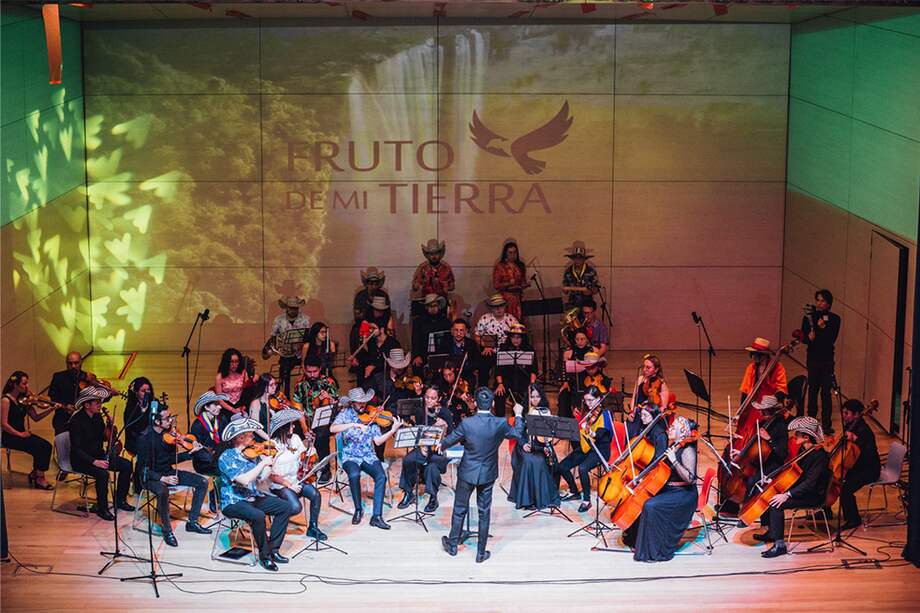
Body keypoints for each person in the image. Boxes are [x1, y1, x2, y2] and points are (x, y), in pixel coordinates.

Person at [440, 388, 524, 563]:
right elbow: (517, 433)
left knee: (459, 509)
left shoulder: (467, 423)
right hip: (487, 473)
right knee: (484, 512)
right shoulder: (500, 423)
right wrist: (518, 415)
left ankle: (453, 545)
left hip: (467, 472)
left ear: (476, 404)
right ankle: (480, 553)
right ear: (492, 403)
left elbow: (450, 440)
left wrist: (439, 445)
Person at [218, 418, 292, 571]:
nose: (254, 437)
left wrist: (271, 461)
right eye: (251, 435)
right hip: (233, 502)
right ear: (241, 438)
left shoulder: (253, 453)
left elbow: (261, 478)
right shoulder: (226, 457)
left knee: (285, 507)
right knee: (258, 515)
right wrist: (262, 464)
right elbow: (244, 480)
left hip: (252, 497)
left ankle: (273, 550)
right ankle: (265, 557)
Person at [621, 416, 699, 562]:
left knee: (651, 506)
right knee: (643, 501)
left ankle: (655, 549)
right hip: (671, 489)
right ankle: (637, 541)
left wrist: (674, 460)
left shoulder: (687, 450)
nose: (670, 429)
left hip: (684, 494)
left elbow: (690, 478)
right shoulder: (675, 445)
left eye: (674, 427)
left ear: (682, 432)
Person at [754, 416, 831, 558]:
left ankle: (780, 545)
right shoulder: (804, 449)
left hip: (813, 495)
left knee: (775, 503)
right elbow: (796, 474)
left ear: (806, 437)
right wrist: (774, 480)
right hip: (802, 491)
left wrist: (787, 494)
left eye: (797, 434)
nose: (794, 436)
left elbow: (810, 484)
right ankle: (772, 533)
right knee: (770, 494)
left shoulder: (820, 457)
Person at [135, 406, 211, 546]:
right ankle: (167, 530)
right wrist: (162, 478)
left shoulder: (168, 437)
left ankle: (192, 522)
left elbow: (170, 459)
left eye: (171, 417)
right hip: (151, 478)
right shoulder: (145, 438)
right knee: (162, 491)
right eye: (167, 418)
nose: (171, 420)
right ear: (157, 421)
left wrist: (190, 453)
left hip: (168, 472)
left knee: (202, 482)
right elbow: (142, 470)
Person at [330, 388, 405, 529]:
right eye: (360, 402)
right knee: (354, 475)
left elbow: (378, 441)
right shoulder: (345, 414)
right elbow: (332, 429)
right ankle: (358, 509)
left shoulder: (373, 417)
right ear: (352, 403)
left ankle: (377, 516)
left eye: (364, 402)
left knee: (381, 476)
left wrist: (393, 430)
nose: (363, 405)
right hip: (350, 455)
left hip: (368, 455)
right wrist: (354, 424)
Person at [68, 386, 134, 520]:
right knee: (102, 474)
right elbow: (76, 449)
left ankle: (120, 500)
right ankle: (102, 509)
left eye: (100, 401)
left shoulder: (97, 417)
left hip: (99, 455)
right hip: (82, 460)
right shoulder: (76, 421)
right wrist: (94, 462)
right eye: (97, 402)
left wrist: (109, 426)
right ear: (87, 405)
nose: (100, 404)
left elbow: (103, 438)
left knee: (127, 465)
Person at [268, 409, 326, 541]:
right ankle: (278, 519)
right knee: (295, 507)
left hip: (296, 480)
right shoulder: (272, 445)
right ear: (283, 427)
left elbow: (303, 455)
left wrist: (310, 447)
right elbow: (271, 475)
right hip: (280, 485)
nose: (293, 426)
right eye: (290, 425)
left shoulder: (295, 438)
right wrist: (289, 485)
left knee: (315, 494)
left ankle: (313, 527)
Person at [555, 386, 614, 512]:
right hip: (586, 446)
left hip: (600, 450)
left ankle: (586, 500)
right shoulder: (588, 413)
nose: (588, 403)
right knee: (562, 466)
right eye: (586, 400)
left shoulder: (606, 414)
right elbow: (580, 434)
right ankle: (574, 491)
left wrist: (590, 431)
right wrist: (577, 421)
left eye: (591, 400)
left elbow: (599, 435)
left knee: (583, 468)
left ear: (599, 398)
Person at [397, 385, 454, 512]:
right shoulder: (420, 411)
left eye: (433, 398)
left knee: (431, 467)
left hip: (439, 450)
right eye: (427, 397)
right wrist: (421, 446)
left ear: (438, 399)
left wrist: (444, 428)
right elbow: (419, 432)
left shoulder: (445, 412)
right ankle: (408, 492)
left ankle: (433, 497)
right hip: (423, 447)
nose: (429, 400)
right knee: (408, 460)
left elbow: (453, 435)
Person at [508, 385, 560, 511]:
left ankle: (545, 496)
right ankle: (529, 499)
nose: (535, 399)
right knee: (532, 461)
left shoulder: (544, 411)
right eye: (532, 397)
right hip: (524, 445)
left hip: (540, 445)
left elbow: (548, 434)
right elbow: (517, 433)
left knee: (552, 461)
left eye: (538, 396)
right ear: (529, 398)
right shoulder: (523, 411)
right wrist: (523, 444)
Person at [1, 372, 54, 489]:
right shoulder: (6, 400)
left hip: (22, 434)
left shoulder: (23, 400)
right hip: (10, 436)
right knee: (41, 447)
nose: (27, 386)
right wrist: (20, 434)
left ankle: (35, 474)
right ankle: (40, 478)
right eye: (24, 383)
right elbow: (4, 424)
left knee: (46, 446)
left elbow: (36, 417)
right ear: (15, 385)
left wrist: (51, 409)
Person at [802, 289, 841, 434]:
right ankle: (811, 423)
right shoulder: (809, 317)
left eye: (822, 301)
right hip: (813, 359)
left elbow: (831, 339)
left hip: (827, 361)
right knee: (813, 391)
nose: (819, 303)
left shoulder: (835, 319)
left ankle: (826, 425)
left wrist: (823, 329)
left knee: (826, 393)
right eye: (818, 300)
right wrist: (808, 338)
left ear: (829, 304)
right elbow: (803, 337)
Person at [838, 399, 881, 530]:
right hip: (856, 466)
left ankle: (853, 519)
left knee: (845, 488)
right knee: (832, 478)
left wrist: (857, 440)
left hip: (869, 469)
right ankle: (826, 509)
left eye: (847, 413)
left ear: (857, 414)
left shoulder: (865, 431)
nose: (844, 416)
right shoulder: (849, 426)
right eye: (843, 413)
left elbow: (868, 455)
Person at [190, 390, 228, 512]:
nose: (219, 407)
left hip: (219, 458)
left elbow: (226, 440)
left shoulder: (221, 420)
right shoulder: (197, 425)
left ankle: (227, 496)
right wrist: (214, 459)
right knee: (224, 472)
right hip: (204, 462)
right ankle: (214, 496)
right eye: (215, 404)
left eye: (219, 404)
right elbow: (197, 452)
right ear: (206, 407)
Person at [266, 295, 310, 397]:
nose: (293, 310)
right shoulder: (278, 320)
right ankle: (286, 396)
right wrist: (275, 348)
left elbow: (308, 337)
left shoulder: (305, 319)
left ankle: (305, 394)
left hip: (300, 353)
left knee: (310, 368)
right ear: (286, 308)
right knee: (285, 372)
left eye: (296, 308)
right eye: (291, 308)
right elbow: (273, 336)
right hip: (285, 353)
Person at [475, 294, 521, 387]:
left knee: (510, 368)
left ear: (505, 306)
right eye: (495, 307)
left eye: (501, 306)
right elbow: (477, 336)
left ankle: (503, 388)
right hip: (490, 350)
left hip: (507, 351)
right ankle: (483, 389)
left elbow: (519, 335)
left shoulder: (511, 319)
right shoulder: (484, 319)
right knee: (483, 366)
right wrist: (485, 346)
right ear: (491, 308)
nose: (498, 309)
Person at [493, 323, 537, 418]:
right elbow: (498, 369)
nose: (515, 340)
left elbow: (533, 370)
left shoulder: (529, 349)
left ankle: (519, 420)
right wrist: (500, 384)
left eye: (518, 337)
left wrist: (532, 385)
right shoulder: (503, 348)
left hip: (523, 379)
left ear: (523, 338)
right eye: (513, 337)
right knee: (499, 394)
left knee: (525, 396)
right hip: (506, 379)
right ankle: (500, 420)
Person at [558, 348, 609, 420]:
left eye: (593, 367)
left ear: (598, 366)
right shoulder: (579, 378)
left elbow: (605, 398)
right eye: (588, 367)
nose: (590, 370)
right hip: (583, 410)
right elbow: (575, 395)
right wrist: (575, 407)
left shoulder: (604, 379)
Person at [411, 238, 454, 319]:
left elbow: (452, 286)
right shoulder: (422, 268)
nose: (434, 256)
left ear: (440, 253)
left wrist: (443, 284)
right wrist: (422, 283)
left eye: (436, 253)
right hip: (427, 303)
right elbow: (415, 287)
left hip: (441, 303)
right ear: (427, 255)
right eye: (431, 254)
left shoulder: (446, 268)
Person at [48, 351, 88, 435]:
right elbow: (53, 397)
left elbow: (94, 399)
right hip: (63, 417)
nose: (73, 366)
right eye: (70, 363)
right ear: (66, 364)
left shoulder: (87, 378)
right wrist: (65, 406)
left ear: (81, 362)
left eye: (76, 363)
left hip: (82, 417)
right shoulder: (58, 377)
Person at [492, 240, 529, 321]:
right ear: (505, 253)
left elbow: (522, 281)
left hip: (518, 299)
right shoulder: (500, 266)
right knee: (507, 321)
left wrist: (525, 285)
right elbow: (496, 285)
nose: (513, 255)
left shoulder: (520, 265)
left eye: (515, 252)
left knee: (517, 322)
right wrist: (509, 283)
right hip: (505, 300)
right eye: (510, 252)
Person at [411, 294, 451, 370]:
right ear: (426, 307)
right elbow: (415, 340)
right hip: (423, 355)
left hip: (441, 355)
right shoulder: (419, 321)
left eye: (435, 305)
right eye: (430, 306)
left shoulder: (445, 321)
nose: (433, 308)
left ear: (438, 306)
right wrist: (416, 355)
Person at [436, 318, 480, 385]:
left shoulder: (471, 344)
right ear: (452, 331)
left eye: (461, 330)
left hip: (465, 373)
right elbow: (440, 360)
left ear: (466, 331)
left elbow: (476, 362)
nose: (458, 333)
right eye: (456, 330)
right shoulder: (444, 343)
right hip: (448, 373)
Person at [215, 348, 254, 417]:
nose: (234, 364)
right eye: (232, 362)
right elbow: (220, 400)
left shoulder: (243, 373)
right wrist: (233, 410)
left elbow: (247, 392)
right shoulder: (219, 377)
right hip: (226, 407)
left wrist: (244, 406)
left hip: (241, 405)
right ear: (226, 362)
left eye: (237, 361)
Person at [562, 240, 599, 308]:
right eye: (576, 258)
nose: (578, 260)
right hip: (573, 303)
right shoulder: (568, 271)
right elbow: (565, 290)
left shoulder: (591, 271)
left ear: (584, 259)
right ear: (573, 259)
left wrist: (591, 291)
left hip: (587, 304)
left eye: (580, 258)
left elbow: (596, 288)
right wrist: (565, 290)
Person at [122, 376, 153, 456]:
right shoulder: (131, 408)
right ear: (136, 392)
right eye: (143, 391)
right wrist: (143, 411)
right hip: (137, 440)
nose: (147, 393)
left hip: (151, 438)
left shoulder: (154, 402)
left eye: (148, 390)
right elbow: (135, 429)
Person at [247, 374, 280, 438]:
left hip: (273, 436)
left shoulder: (273, 400)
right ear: (264, 387)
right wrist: (269, 439)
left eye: (275, 384)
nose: (274, 387)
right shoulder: (256, 403)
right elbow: (255, 427)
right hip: (261, 439)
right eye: (271, 385)